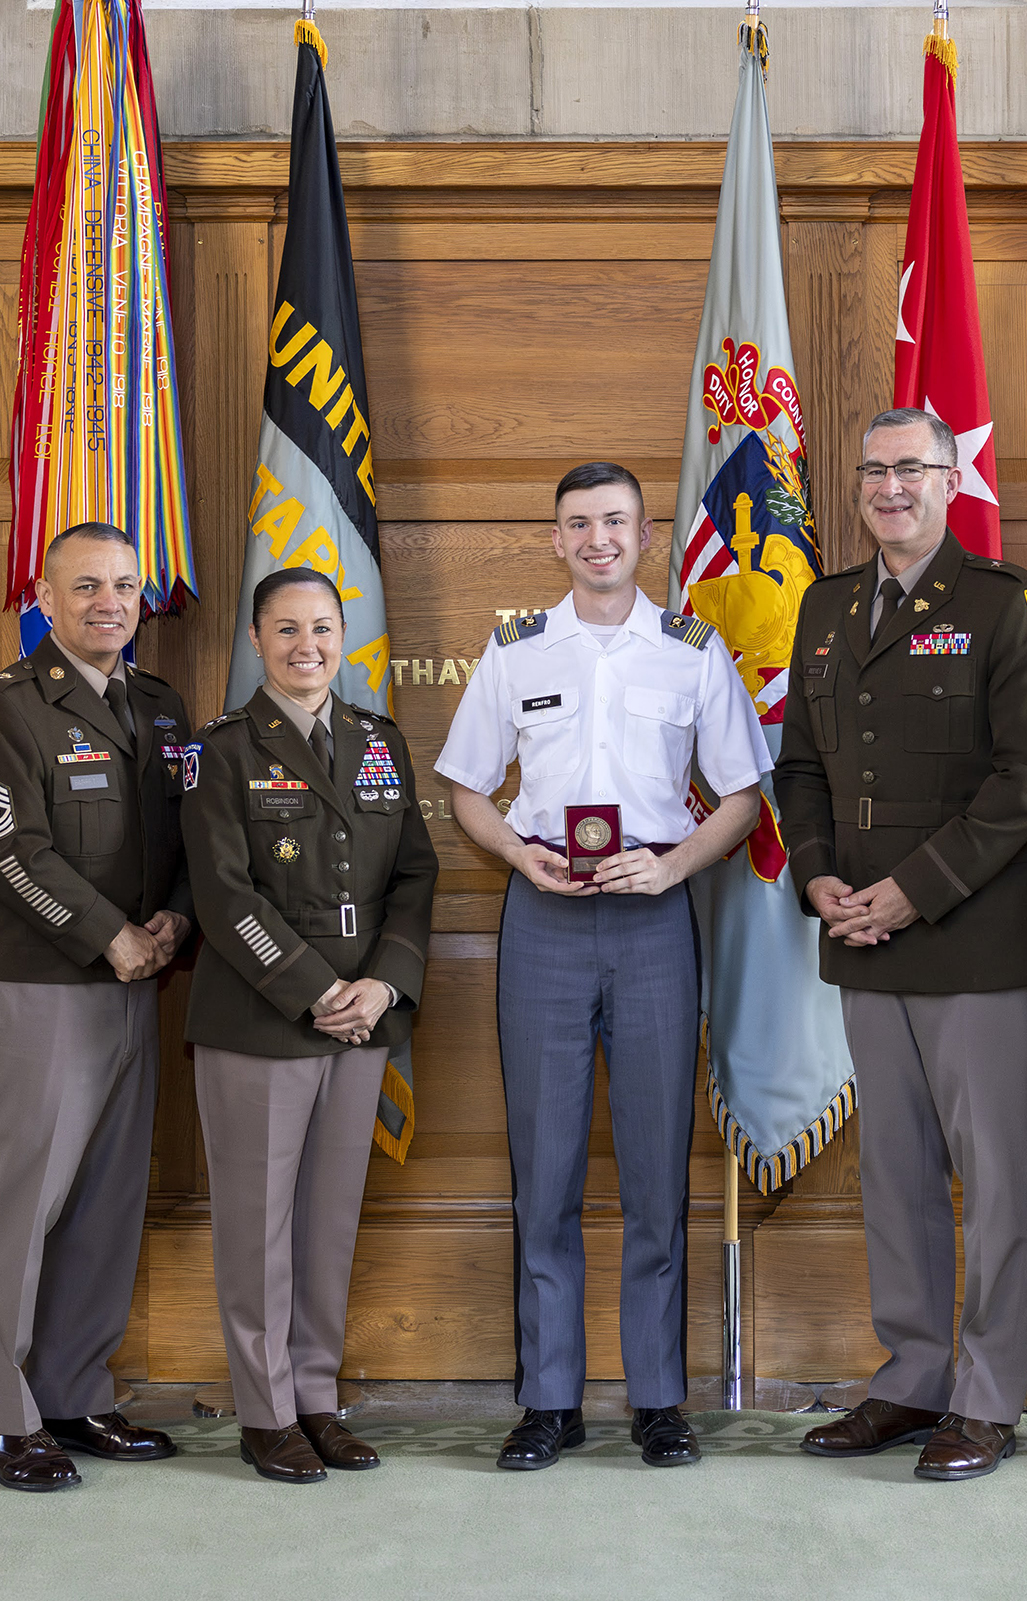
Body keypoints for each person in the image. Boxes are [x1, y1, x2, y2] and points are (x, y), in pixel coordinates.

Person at [435, 461, 768, 1471]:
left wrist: (671, 864)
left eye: (615, 521)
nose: (597, 539)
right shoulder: (514, 648)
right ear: (556, 539)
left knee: (658, 1166)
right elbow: (465, 788)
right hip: (543, 919)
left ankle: (659, 1397)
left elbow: (743, 797)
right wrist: (515, 851)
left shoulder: (691, 652)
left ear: (644, 533)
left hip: (655, 924)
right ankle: (549, 1397)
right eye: (579, 523)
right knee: (545, 1168)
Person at [775, 408, 1027, 1483]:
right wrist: (818, 875)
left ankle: (987, 1398)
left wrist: (909, 890)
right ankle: (911, 1376)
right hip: (860, 935)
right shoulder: (826, 606)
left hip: (975, 943)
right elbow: (800, 763)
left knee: (993, 1180)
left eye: (912, 468)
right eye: (875, 470)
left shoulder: (1006, 604)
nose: (890, 486)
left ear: (952, 479)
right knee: (893, 1174)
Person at [0, 521, 194, 1492]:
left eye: (125, 585)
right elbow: (8, 853)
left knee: (103, 1204)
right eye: (86, 584)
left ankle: (74, 1392)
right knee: (18, 1209)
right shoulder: (1, 709)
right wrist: (111, 934)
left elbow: (188, 843)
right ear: (44, 598)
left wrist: (171, 920)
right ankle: (1, 1415)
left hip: (134, 990)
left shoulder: (162, 709)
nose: (108, 602)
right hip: (40, 989)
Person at [180, 567, 440, 1485]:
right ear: (256, 640)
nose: (307, 646)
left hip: (363, 1021)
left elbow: (414, 875)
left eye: (323, 628)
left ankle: (317, 1397)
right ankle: (265, 1410)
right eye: (286, 629)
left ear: (343, 633)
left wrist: (383, 984)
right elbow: (221, 892)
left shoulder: (377, 740)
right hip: (263, 1019)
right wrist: (312, 988)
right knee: (257, 1226)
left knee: (327, 1222)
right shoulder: (221, 750)